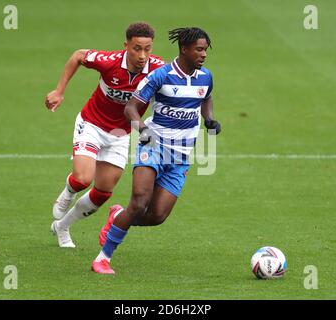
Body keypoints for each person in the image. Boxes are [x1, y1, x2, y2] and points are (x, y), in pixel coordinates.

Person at [91, 27, 221, 274]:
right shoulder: (160, 76)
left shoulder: (206, 77)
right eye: (199, 49)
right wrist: (141, 128)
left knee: (157, 216)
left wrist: (209, 119)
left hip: (181, 155)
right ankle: (103, 258)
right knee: (139, 203)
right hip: (153, 146)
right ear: (184, 49)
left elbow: (206, 97)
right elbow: (130, 108)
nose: (204, 54)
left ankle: (118, 216)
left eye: (205, 50)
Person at [45, 22, 165, 248]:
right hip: (92, 124)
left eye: (147, 49)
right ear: (126, 46)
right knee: (82, 179)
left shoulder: (158, 69)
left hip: (120, 134)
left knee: (103, 192)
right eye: (137, 48)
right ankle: (68, 192)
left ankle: (62, 227)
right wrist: (59, 91)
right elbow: (78, 56)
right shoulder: (109, 62)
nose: (142, 55)